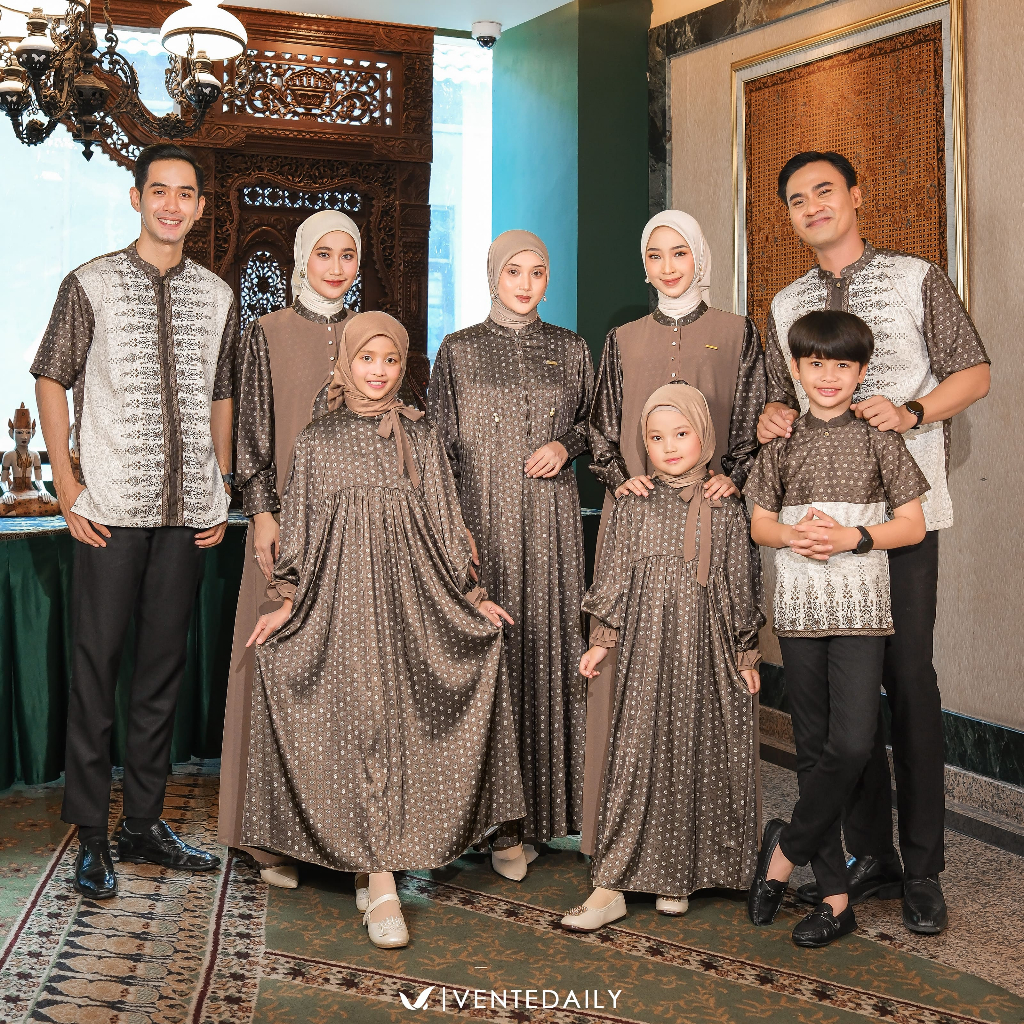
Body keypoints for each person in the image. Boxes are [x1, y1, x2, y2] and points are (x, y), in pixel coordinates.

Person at [758, 151, 990, 934]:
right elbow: (779, 400)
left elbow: (974, 373)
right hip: (821, 533)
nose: (813, 206)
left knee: (908, 681)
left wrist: (914, 412)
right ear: (790, 216)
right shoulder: (785, 303)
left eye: (825, 190)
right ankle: (871, 853)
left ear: (855, 195)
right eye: (797, 199)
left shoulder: (916, 276)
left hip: (902, 516)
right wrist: (771, 415)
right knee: (839, 703)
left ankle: (922, 869)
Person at [243, 311, 525, 949]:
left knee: (401, 729)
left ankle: (380, 866)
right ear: (346, 363)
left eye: (391, 360)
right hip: (341, 604)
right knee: (360, 727)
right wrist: (285, 599)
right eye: (367, 359)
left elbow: (445, 519)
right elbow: (302, 525)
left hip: (412, 600)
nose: (379, 371)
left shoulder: (420, 435)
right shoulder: (318, 440)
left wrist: (472, 596)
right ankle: (379, 880)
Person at [31, 143, 234, 900]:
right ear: (136, 197)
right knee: (96, 670)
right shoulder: (90, 283)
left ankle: (142, 824)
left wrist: (220, 485)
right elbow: (51, 376)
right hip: (110, 512)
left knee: (160, 674)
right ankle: (91, 832)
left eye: (185, 193)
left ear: (200, 207)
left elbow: (222, 393)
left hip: (188, 515)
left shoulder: (217, 295)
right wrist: (66, 485)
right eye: (159, 191)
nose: (171, 205)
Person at [745, 309, 929, 947]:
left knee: (851, 745)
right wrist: (792, 535)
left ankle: (785, 848)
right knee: (813, 748)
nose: (828, 377)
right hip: (800, 608)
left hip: (860, 608)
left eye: (842, 365)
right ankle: (834, 899)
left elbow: (913, 525)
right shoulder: (781, 440)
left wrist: (853, 538)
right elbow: (759, 523)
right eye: (815, 364)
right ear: (796, 370)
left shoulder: (880, 439)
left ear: (861, 371)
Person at [583, 211, 765, 855]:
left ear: (700, 258)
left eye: (679, 252)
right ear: (644, 265)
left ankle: (702, 842)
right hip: (635, 519)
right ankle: (619, 838)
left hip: (709, 518)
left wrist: (733, 477)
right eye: (655, 255)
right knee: (625, 679)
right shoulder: (623, 340)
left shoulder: (738, 333)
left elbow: (753, 416)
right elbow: (600, 427)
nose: (668, 266)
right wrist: (619, 477)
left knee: (704, 681)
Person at [561, 382, 763, 932]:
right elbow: (613, 574)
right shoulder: (633, 502)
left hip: (707, 649)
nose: (669, 446)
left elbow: (741, 583)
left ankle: (680, 877)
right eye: (655, 437)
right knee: (637, 754)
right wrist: (600, 638)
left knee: (698, 749)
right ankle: (612, 885)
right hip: (646, 650)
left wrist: (746, 653)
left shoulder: (725, 504)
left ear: (704, 435)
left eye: (681, 433)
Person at [428, 230, 594, 881]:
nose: (526, 284)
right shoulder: (459, 350)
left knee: (545, 653)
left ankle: (541, 817)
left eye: (538, 271)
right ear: (493, 275)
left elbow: (596, 423)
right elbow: (438, 449)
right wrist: (453, 530)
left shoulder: (570, 347)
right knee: (488, 658)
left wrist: (566, 445)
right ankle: (492, 825)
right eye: (513, 271)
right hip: (483, 528)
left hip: (550, 531)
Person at [218, 209, 360, 890]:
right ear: (302, 259)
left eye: (347, 255)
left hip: (353, 530)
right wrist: (262, 512)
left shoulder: (368, 332)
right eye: (323, 254)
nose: (335, 267)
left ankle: (337, 827)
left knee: (342, 673)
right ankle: (262, 833)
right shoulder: (267, 333)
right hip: (285, 525)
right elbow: (251, 429)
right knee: (269, 660)